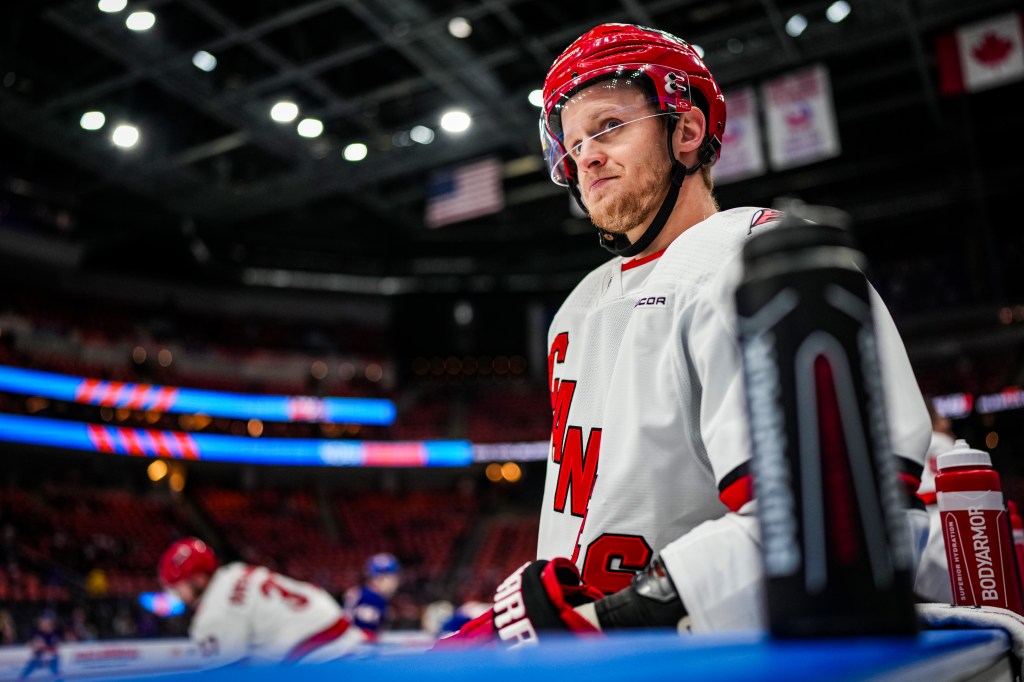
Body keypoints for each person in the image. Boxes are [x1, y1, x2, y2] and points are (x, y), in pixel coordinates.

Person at [439, 23, 932, 645]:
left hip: (713, 652)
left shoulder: (763, 260)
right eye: (573, 141)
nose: (585, 154)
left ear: (688, 130)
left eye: (608, 126)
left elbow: (830, 521)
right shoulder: (578, 306)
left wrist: (609, 621)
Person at [158, 537, 368, 667]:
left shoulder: (214, 614)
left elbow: (225, 675)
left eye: (178, 586)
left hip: (317, 655)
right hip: (344, 634)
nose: (176, 593)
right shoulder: (235, 571)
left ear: (198, 579)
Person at [343, 552, 401, 641]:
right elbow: (366, 635)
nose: (396, 582)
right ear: (382, 578)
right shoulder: (373, 598)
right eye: (393, 577)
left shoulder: (362, 593)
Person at [19, 610, 62, 681]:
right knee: (31, 665)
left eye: (46, 621)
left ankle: (58, 679)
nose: (42, 623)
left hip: (51, 657)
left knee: (55, 668)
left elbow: (55, 649)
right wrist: (34, 644)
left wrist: (44, 647)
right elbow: (30, 644)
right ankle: (21, 678)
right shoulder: (35, 632)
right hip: (38, 657)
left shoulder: (54, 633)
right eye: (42, 621)